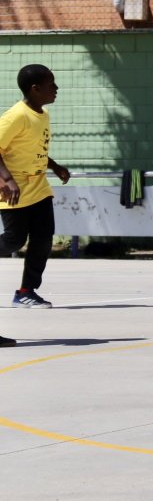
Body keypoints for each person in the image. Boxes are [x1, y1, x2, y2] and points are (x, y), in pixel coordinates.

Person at [0, 65, 71, 337]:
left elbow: (35, 148)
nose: (56, 88)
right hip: (14, 188)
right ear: (35, 89)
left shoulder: (43, 115)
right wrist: (6, 180)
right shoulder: (15, 116)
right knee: (13, 240)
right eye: (51, 84)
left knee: (43, 239)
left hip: (38, 186)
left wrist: (54, 166)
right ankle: (26, 290)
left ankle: (26, 291)